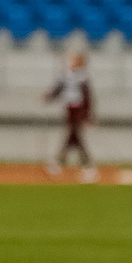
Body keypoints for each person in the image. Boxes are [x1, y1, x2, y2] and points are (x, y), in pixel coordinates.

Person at [47, 50, 96, 181]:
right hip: (70, 108)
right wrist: (49, 97)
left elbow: (88, 97)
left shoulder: (83, 77)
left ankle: (63, 161)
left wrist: (87, 115)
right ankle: (83, 163)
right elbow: (59, 88)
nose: (71, 62)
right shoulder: (68, 75)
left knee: (74, 134)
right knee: (74, 135)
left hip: (78, 109)